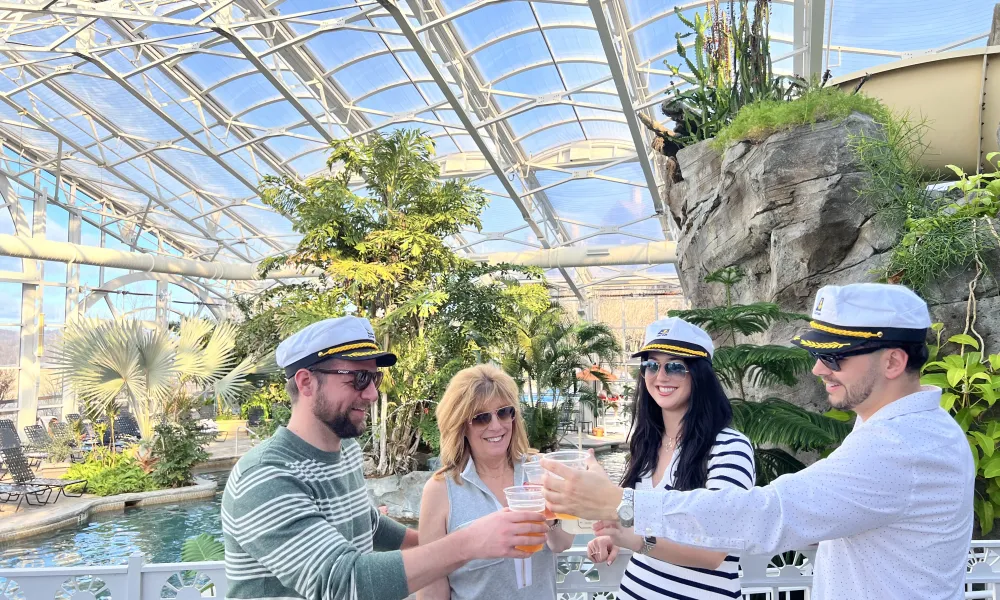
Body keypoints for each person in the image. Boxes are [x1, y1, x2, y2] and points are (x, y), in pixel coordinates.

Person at [541, 283, 975, 599]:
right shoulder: (892, 429)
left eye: (833, 357)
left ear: (894, 361)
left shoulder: (901, 448)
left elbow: (765, 517)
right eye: (651, 366)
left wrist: (623, 506)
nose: (819, 370)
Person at [222, 316, 549, 600]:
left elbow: (368, 523)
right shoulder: (264, 476)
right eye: (359, 379)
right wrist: (470, 543)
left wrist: (436, 542)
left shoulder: (344, 450)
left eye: (374, 378)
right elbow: (343, 584)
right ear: (306, 382)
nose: (372, 393)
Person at [586, 317, 754, 600]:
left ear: (699, 375)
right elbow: (642, 522)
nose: (660, 376)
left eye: (675, 366)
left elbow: (714, 551)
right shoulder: (647, 445)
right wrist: (614, 537)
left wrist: (636, 541)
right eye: (651, 365)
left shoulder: (729, 447)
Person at [418, 364, 574, 600]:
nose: (496, 425)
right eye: (481, 418)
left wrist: (549, 515)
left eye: (503, 412)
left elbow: (562, 544)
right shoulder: (440, 491)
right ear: (461, 426)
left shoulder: (539, 470)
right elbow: (431, 587)